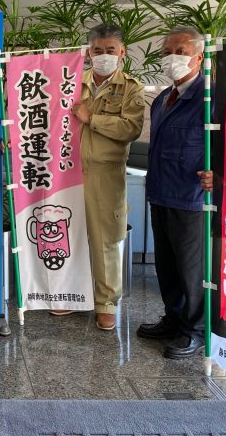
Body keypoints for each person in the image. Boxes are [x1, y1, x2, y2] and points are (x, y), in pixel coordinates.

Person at [58, 24, 144, 330]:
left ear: (122, 52)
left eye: (110, 50)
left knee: (105, 238)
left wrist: (92, 118)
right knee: (67, 232)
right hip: (66, 170)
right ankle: (68, 293)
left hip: (104, 173)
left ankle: (105, 302)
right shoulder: (71, 81)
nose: (104, 55)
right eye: (98, 50)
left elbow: (130, 128)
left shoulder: (130, 87)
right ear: (88, 53)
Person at [138, 26, 207, 359]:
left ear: (199, 57)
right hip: (161, 193)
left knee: (191, 270)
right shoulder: (163, 99)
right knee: (166, 266)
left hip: (191, 198)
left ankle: (196, 330)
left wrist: (220, 175)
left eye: (181, 52)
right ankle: (174, 319)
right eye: (167, 52)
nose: (172, 58)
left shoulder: (209, 98)